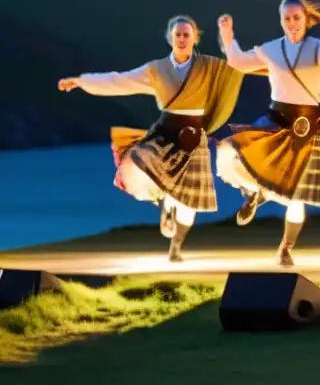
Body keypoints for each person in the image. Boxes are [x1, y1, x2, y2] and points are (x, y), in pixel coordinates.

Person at [57, 15, 244, 261]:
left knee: (189, 203)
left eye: (186, 34)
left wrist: (228, 36)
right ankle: (164, 204)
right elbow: (119, 80)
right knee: (140, 162)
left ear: (195, 38)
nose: (181, 38)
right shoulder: (157, 69)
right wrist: (82, 82)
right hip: (165, 132)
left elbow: (240, 66)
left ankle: (176, 247)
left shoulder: (208, 66)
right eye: (177, 34)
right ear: (170, 38)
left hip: (193, 139)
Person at [215, 0, 320, 267]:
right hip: (274, 121)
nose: (292, 23)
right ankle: (252, 192)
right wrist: (227, 34)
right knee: (233, 149)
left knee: (296, 200)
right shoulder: (271, 49)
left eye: (297, 17)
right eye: (287, 18)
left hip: (305, 130)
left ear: (306, 20)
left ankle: (285, 248)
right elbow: (237, 61)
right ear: (281, 21)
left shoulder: (319, 47)